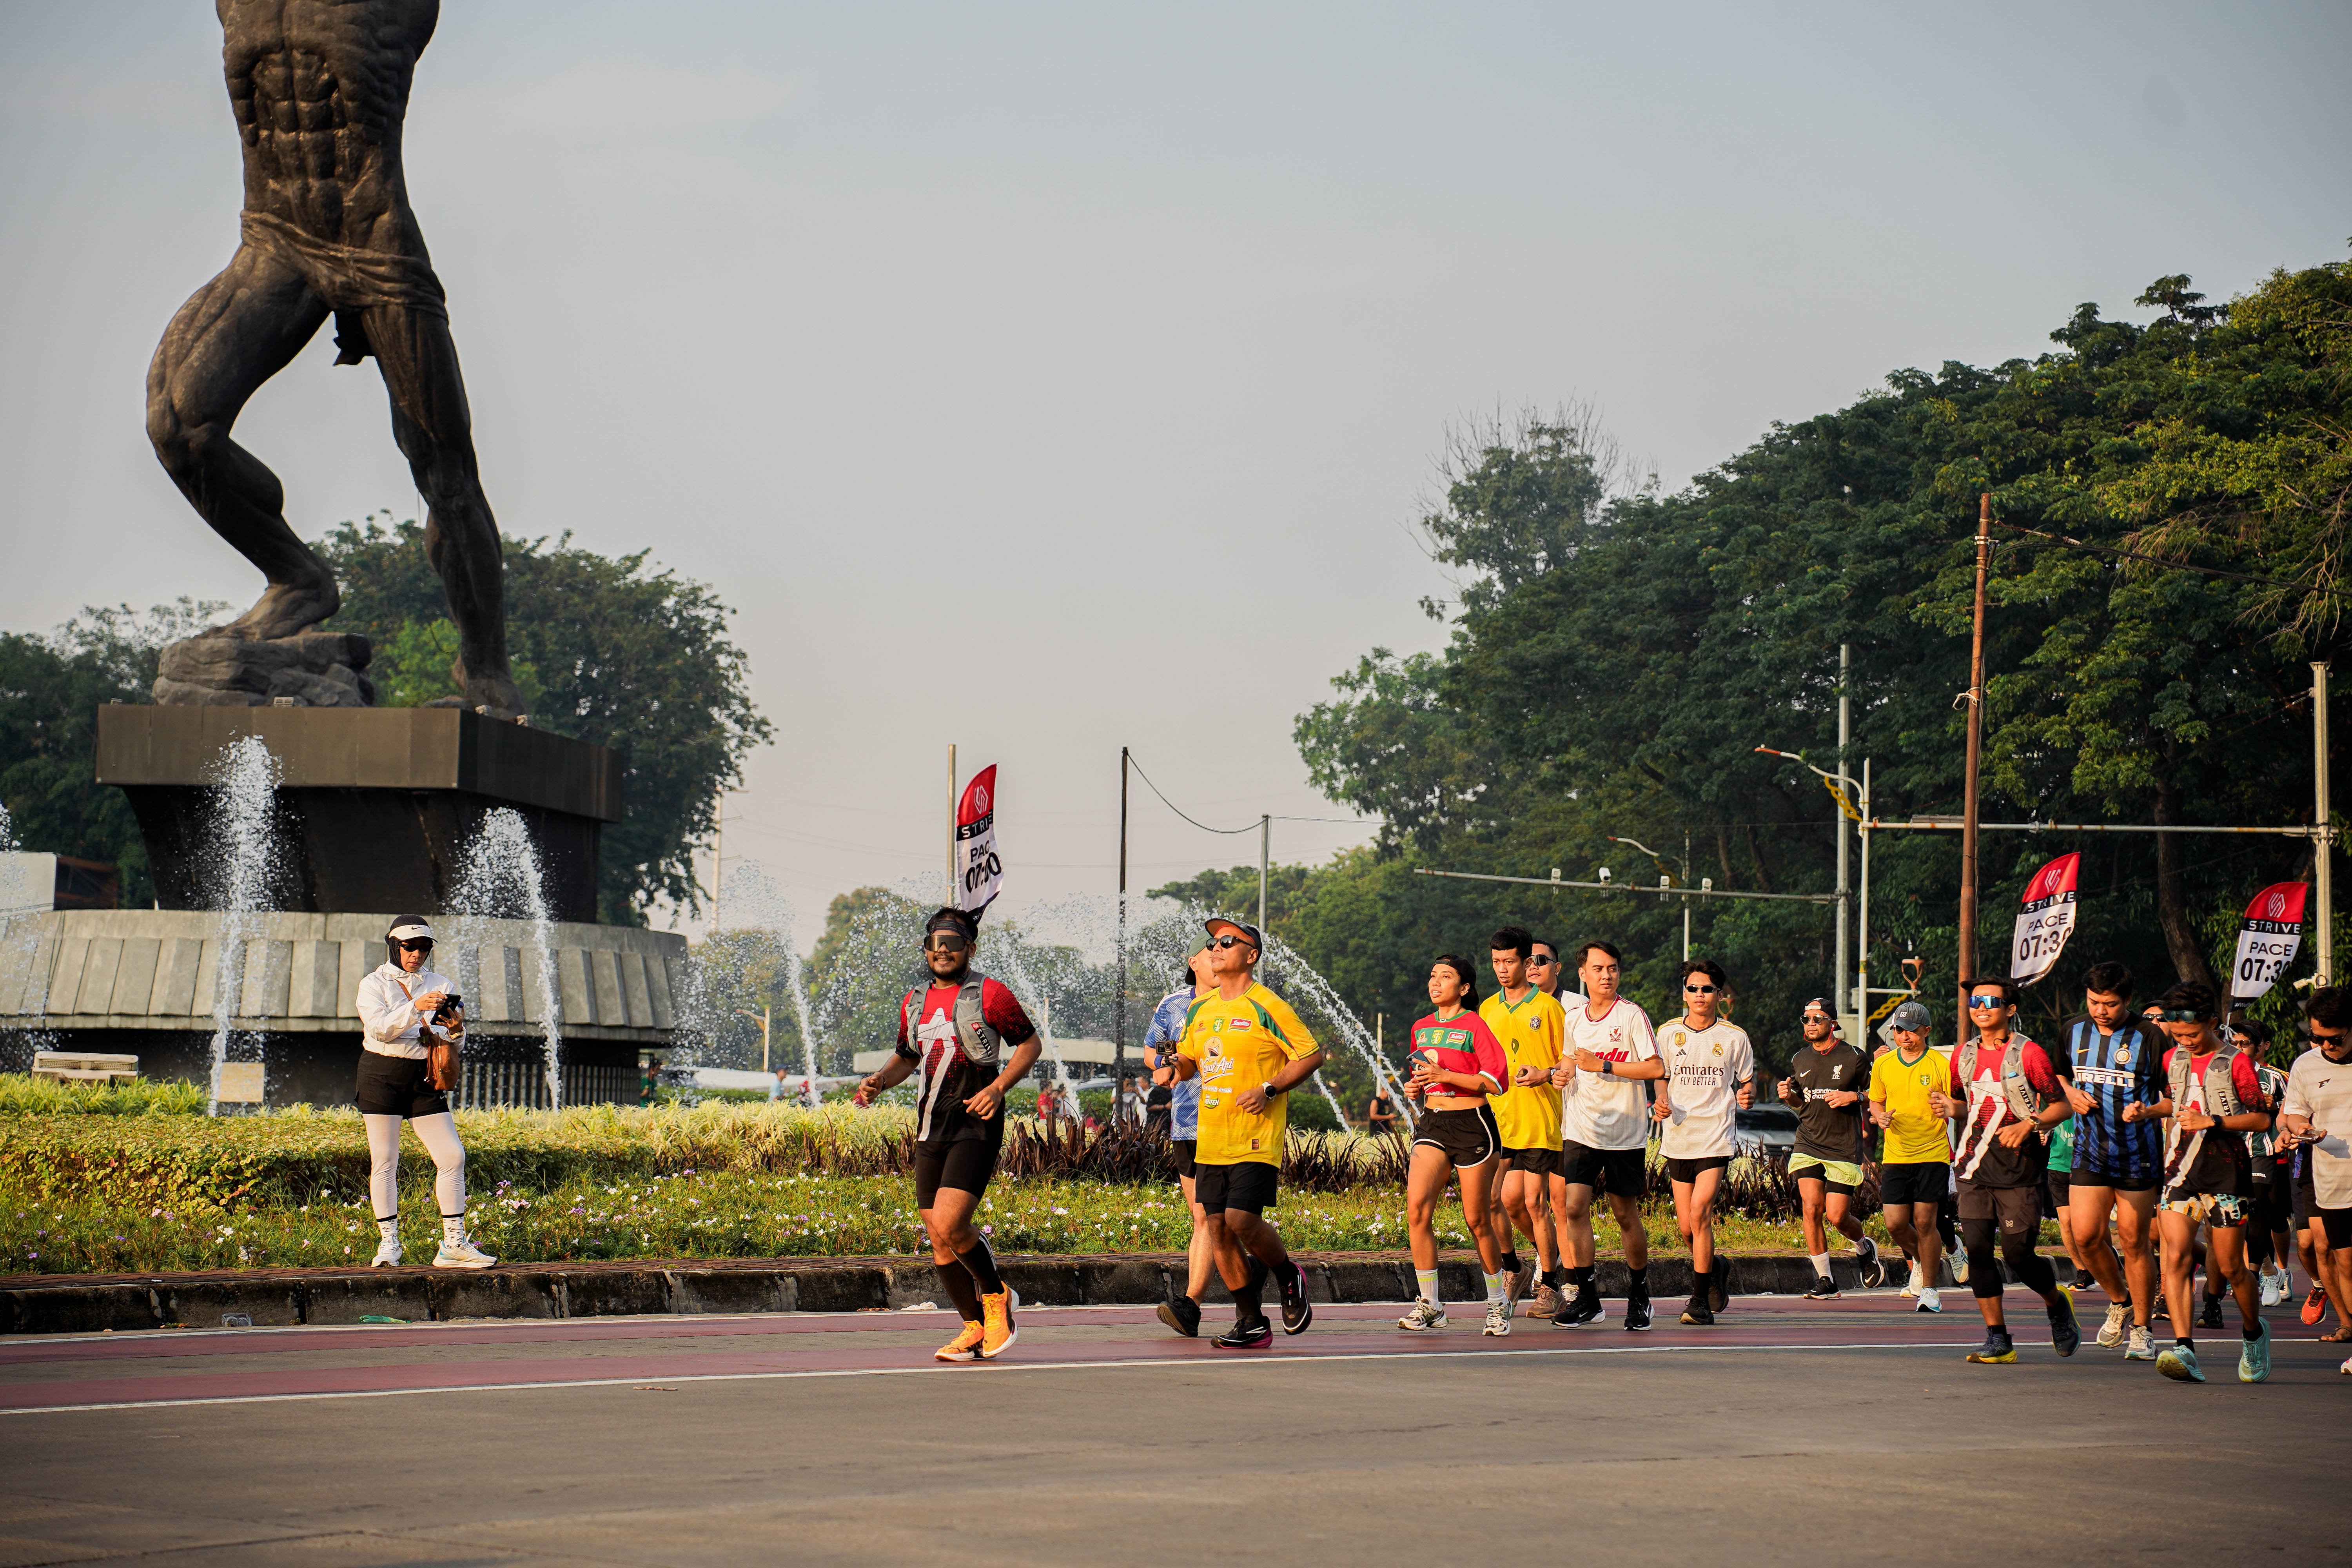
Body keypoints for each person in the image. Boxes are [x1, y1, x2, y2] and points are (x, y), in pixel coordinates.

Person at [853, 908, 1042, 1363]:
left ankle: (997, 1298)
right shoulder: (914, 1000)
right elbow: (906, 1057)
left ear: (969, 949)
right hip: (931, 1127)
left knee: (954, 1223)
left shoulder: (990, 994)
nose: (943, 951)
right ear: (926, 951)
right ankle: (974, 1327)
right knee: (938, 1234)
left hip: (976, 1124)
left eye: (953, 944)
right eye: (936, 944)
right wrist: (880, 1079)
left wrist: (998, 1088)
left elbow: (1030, 1044)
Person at [1168, 915, 1329, 1348]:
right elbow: (1188, 1061)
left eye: (1227, 941)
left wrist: (1270, 1087)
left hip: (1256, 1135)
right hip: (1212, 1136)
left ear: (1251, 955)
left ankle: (1286, 1273)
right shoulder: (1200, 1008)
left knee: (1240, 1220)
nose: (1216, 947)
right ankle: (1252, 1321)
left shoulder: (1268, 1004)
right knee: (1217, 1228)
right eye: (1213, 942)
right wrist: (1174, 1068)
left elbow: (1310, 1054)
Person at [1940, 976, 2082, 1364]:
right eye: (1975, 1000)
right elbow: (1963, 1103)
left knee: (2019, 1256)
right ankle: (1998, 1339)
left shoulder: (2029, 1054)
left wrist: (2029, 1124)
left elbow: (2062, 1106)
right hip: (1973, 1168)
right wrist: (1948, 1108)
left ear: (2010, 1009)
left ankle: (2056, 1302)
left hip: (2020, 1172)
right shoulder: (1963, 1055)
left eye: (1990, 1001)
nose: (1980, 1007)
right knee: (1980, 1250)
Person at [2145, 981, 2271, 1383]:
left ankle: (2254, 1332)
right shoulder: (2173, 1059)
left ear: (2214, 1022)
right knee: (2176, 1256)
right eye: (2178, 1035)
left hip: (2226, 1172)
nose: (2185, 1042)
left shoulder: (2236, 1062)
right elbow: (2175, 1102)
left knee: (2233, 1266)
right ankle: (2185, 1348)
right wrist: (2147, 1110)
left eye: (2192, 1035)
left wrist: (2213, 1121)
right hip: (2179, 1170)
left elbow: (2261, 1118)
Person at [353, 916, 493, 1269]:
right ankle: (389, 1246)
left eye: (424, 948)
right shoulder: (373, 984)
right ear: (393, 946)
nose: (417, 954)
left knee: (452, 1156)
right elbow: (380, 1030)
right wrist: (416, 1007)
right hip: (381, 1073)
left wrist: (456, 1029)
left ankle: (453, 1246)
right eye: (409, 947)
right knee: (385, 1160)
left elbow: (447, 1039)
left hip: (424, 1076)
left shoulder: (440, 983)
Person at [1548, 940, 1663, 1330]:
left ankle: (1640, 1296)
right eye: (1598, 969)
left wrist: (1606, 1067)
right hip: (1581, 1128)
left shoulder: (1632, 1015)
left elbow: (1654, 1068)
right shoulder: (1575, 1018)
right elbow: (1567, 1062)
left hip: (1624, 1133)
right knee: (1573, 1207)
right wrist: (1558, 1074)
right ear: (1582, 974)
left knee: (1624, 1213)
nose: (1606, 975)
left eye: (1612, 968)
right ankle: (1588, 1298)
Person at [1397, 955, 1514, 1334]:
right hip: (1433, 1121)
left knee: (1478, 1219)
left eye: (1446, 977)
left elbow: (1496, 1081)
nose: (1436, 982)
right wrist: (1416, 1087)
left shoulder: (1474, 1025)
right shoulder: (1422, 1027)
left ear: (1464, 988)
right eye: (1433, 976)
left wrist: (1447, 1074)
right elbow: (1422, 1078)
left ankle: (1498, 1303)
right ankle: (1431, 1305)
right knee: (1417, 1211)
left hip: (1472, 1124)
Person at [2057, 961, 2167, 1359]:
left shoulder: (2150, 1036)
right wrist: (2070, 1094)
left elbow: (2174, 1096)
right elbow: (2059, 1075)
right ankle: (2119, 1300)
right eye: (2094, 1001)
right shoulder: (2073, 1030)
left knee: (2136, 1242)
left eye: (2110, 1003)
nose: (2100, 1010)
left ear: (2128, 1000)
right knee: (2086, 1236)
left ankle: (2143, 1327)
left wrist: (2148, 1112)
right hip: (2089, 1151)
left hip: (2138, 1155)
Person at [1654, 958, 1754, 1326]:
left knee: (1700, 1214)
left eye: (1707, 989)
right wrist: (1660, 1100)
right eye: (1693, 988)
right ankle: (1715, 1269)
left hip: (1715, 1137)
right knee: (1686, 1228)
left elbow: (1746, 1081)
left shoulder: (1734, 1037)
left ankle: (1698, 1301)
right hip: (1678, 1137)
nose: (1699, 995)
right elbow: (1660, 1075)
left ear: (1719, 994)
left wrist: (1747, 1095)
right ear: (1685, 993)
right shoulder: (1666, 1033)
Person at [1483, 926, 1568, 1318]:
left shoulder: (1549, 1008)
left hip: (1539, 1120)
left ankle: (1550, 1284)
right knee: (1502, 1201)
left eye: (1510, 961)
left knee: (1535, 1202)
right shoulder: (1488, 1009)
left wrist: (1544, 1074)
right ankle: (1519, 1267)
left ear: (1527, 963)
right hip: (1501, 1121)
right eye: (1496, 961)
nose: (1503, 969)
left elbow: (1567, 1065)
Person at [1777, 998, 1884, 1298]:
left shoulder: (1854, 1057)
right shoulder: (1800, 1059)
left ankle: (1864, 1247)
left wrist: (1856, 1098)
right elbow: (1802, 1103)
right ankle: (1826, 1280)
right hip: (1808, 1141)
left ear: (1833, 1023)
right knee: (1811, 1208)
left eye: (1818, 1019)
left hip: (1842, 1147)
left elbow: (1877, 1095)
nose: (1811, 1024)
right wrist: (1789, 1097)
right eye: (1806, 1019)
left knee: (1837, 1216)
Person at [2281, 985, 2352, 1374]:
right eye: (2317, 1038)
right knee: (2346, 1262)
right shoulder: (2306, 1065)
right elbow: (2293, 1112)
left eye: (2335, 1039)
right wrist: (2301, 1126)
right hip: (2331, 1181)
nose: (2326, 1046)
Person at [1145, 947, 1215, 1336]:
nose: (1219, 957)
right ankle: (1257, 1270)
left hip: (1228, 1122)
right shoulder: (1174, 1006)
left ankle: (1190, 1305)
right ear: (1194, 963)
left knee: (1208, 1215)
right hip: (1186, 1122)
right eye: (1212, 951)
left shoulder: (1240, 1004)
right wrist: (1166, 1064)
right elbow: (1153, 1049)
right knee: (1205, 1217)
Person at [1867, 1000, 1949, 1314]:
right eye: (1899, 1031)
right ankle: (1928, 1260)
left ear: (1926, 1031)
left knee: (1925, 1221)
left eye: (1912, 1032)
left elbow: (1956, 1103)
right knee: (1896, 1224)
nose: (1904, 1037)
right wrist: (1880, 1116)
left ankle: (1930, 1289)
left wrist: (1947, 1108)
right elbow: (1876, 1102)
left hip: (1932, 1151)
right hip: (1896, 1154)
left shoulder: (1940, 1065)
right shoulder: (1885, 1065)